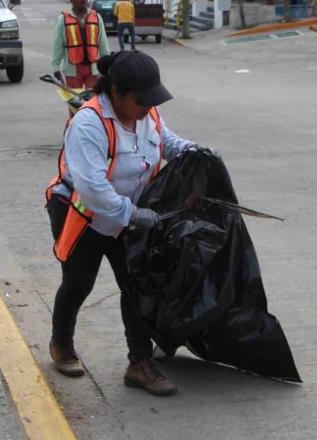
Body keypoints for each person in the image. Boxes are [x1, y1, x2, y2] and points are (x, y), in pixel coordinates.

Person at [45, 51, 212, 397]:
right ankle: (61, 345)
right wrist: (131, 213)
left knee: (136, 287)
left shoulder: (146, 110)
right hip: (82, 214)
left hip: (129, 215)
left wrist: (194, 152)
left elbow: (166, 141)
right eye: (140, 100)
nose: (147, 107)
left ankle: (139, 363)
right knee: (78, 283)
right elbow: (92, 188)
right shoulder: (89, 124)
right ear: (116, 92)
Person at [51, 0, 110, 89]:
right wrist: (55, 67)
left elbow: (103, 44)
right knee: (75, 100)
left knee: (92, 100)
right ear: (71, 1)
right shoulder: (62, 20)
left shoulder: (97, 17)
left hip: (93, 69)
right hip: (72, 69)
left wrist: (107, 66)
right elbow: (57, 45)